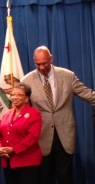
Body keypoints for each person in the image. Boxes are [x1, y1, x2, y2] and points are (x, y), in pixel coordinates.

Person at [21, 46, 95, 184]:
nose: (42, 67)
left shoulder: (67, 76)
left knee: (65, 177)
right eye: (38, 64)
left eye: (44, 63)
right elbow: (22, 110)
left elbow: (88, 94)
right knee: (44, 178)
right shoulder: (26, 81)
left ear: (51, 58)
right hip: (41, 137)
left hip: (65, 135)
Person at [0, 83, 42, 184]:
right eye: (12, 94)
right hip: (8, 162)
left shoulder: (34, 114)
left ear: (27, 98)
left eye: (19, 95)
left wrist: (14, 149)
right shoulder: (7, 114)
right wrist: (0, 148)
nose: (15, 97)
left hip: (27, 162)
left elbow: (33, 137)